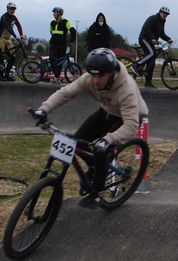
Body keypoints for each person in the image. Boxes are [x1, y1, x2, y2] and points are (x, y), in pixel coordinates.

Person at [31, 48, 149, 208]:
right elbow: (65, 93)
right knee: (77, 143)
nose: (95, 80)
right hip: (107, 110)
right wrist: (44, 109)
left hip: (128, 117)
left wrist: (109, 139)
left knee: (102, 150)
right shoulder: (89, 79)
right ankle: (95, 166)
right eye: (93, 74)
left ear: (112, 72)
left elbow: (131, 124)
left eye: (100, 75)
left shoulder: (126, 89)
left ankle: (98, 194)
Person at [136, 6, 174, 88]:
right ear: (160, 12)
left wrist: (168, 39)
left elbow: (161, 34)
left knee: (152, 61)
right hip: (144, 39)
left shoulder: (162, 22)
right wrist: (152, 38)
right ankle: (137, 65)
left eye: (166, 14)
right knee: (151, 53)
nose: (165, 15)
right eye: (163, 13)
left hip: (151, 41)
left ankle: (148, 82)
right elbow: (146, 28)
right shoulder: (153, 18)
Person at [0, 1, 25, 81]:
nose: (12, 11)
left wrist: (21, 35)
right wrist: (16, 37)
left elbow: (19, 26)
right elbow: (9, 28)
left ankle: (7, 75)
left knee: (13, 58)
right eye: (11, 9)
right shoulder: (4, 17)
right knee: (1, 56)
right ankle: (1, 76)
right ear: (7, 9)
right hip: (0, 38)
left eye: (14, 9)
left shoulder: (14, 17)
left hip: (8, 39)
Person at [49, 7, 76, 79]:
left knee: (60, 62)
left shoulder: (66, 22)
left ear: (59, 13)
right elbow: (51, 31)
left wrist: (71, 41)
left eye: (54, 12)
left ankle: (57, 77)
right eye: (53, 13)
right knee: (51, 59)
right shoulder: (52, 22)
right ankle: (56, 75)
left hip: (61, 45)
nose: (53, 14)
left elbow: (73, 31)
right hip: (53, 45)